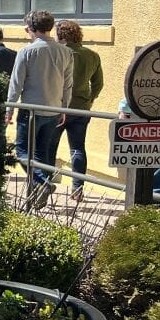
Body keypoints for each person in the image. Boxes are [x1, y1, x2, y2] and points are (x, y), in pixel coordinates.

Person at [6, 10, 74, 208]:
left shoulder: (26, 51)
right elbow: (67, 84)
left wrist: (9, 108)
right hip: (54, 108)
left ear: (33, 29)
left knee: (22, 151)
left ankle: (42, 184)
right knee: (41, 154)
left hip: (31, 109)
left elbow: (16, 83)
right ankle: (38, 189)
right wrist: (64, 109)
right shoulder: (66, 52)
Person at [118, 13, 160, 201]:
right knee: (159, 181)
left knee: (157, 184)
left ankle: (152, 222)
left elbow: (144, 84)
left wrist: (125, 109)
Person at [56, 20, 104, 201]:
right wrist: (90, 99)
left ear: (60, 35)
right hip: (81, 108)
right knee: (77, 148)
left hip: (58, 106)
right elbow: (98, 83)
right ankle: (77, 189)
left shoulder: (59, 53)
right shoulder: (92, 55)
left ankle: (45, 185)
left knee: (49, 147)